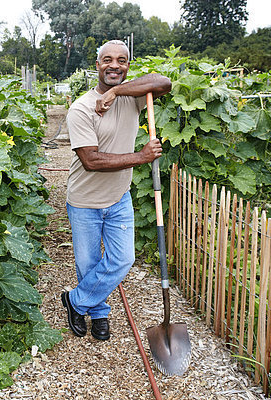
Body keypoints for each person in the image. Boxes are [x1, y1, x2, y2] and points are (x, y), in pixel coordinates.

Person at [61, 40, 171, 340]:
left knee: (122, 260)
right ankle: (98, 314)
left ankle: (76, 301)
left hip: (119, 197)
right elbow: (91, 160)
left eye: (121, 60)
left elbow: (163, 82)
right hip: (84, 200)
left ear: (127, 67)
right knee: (88, 264)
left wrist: (117, 91)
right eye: (107, 60)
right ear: (97, 65)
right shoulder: (81, 109)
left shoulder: (132, 97)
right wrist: (141, 157)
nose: (114, 65)